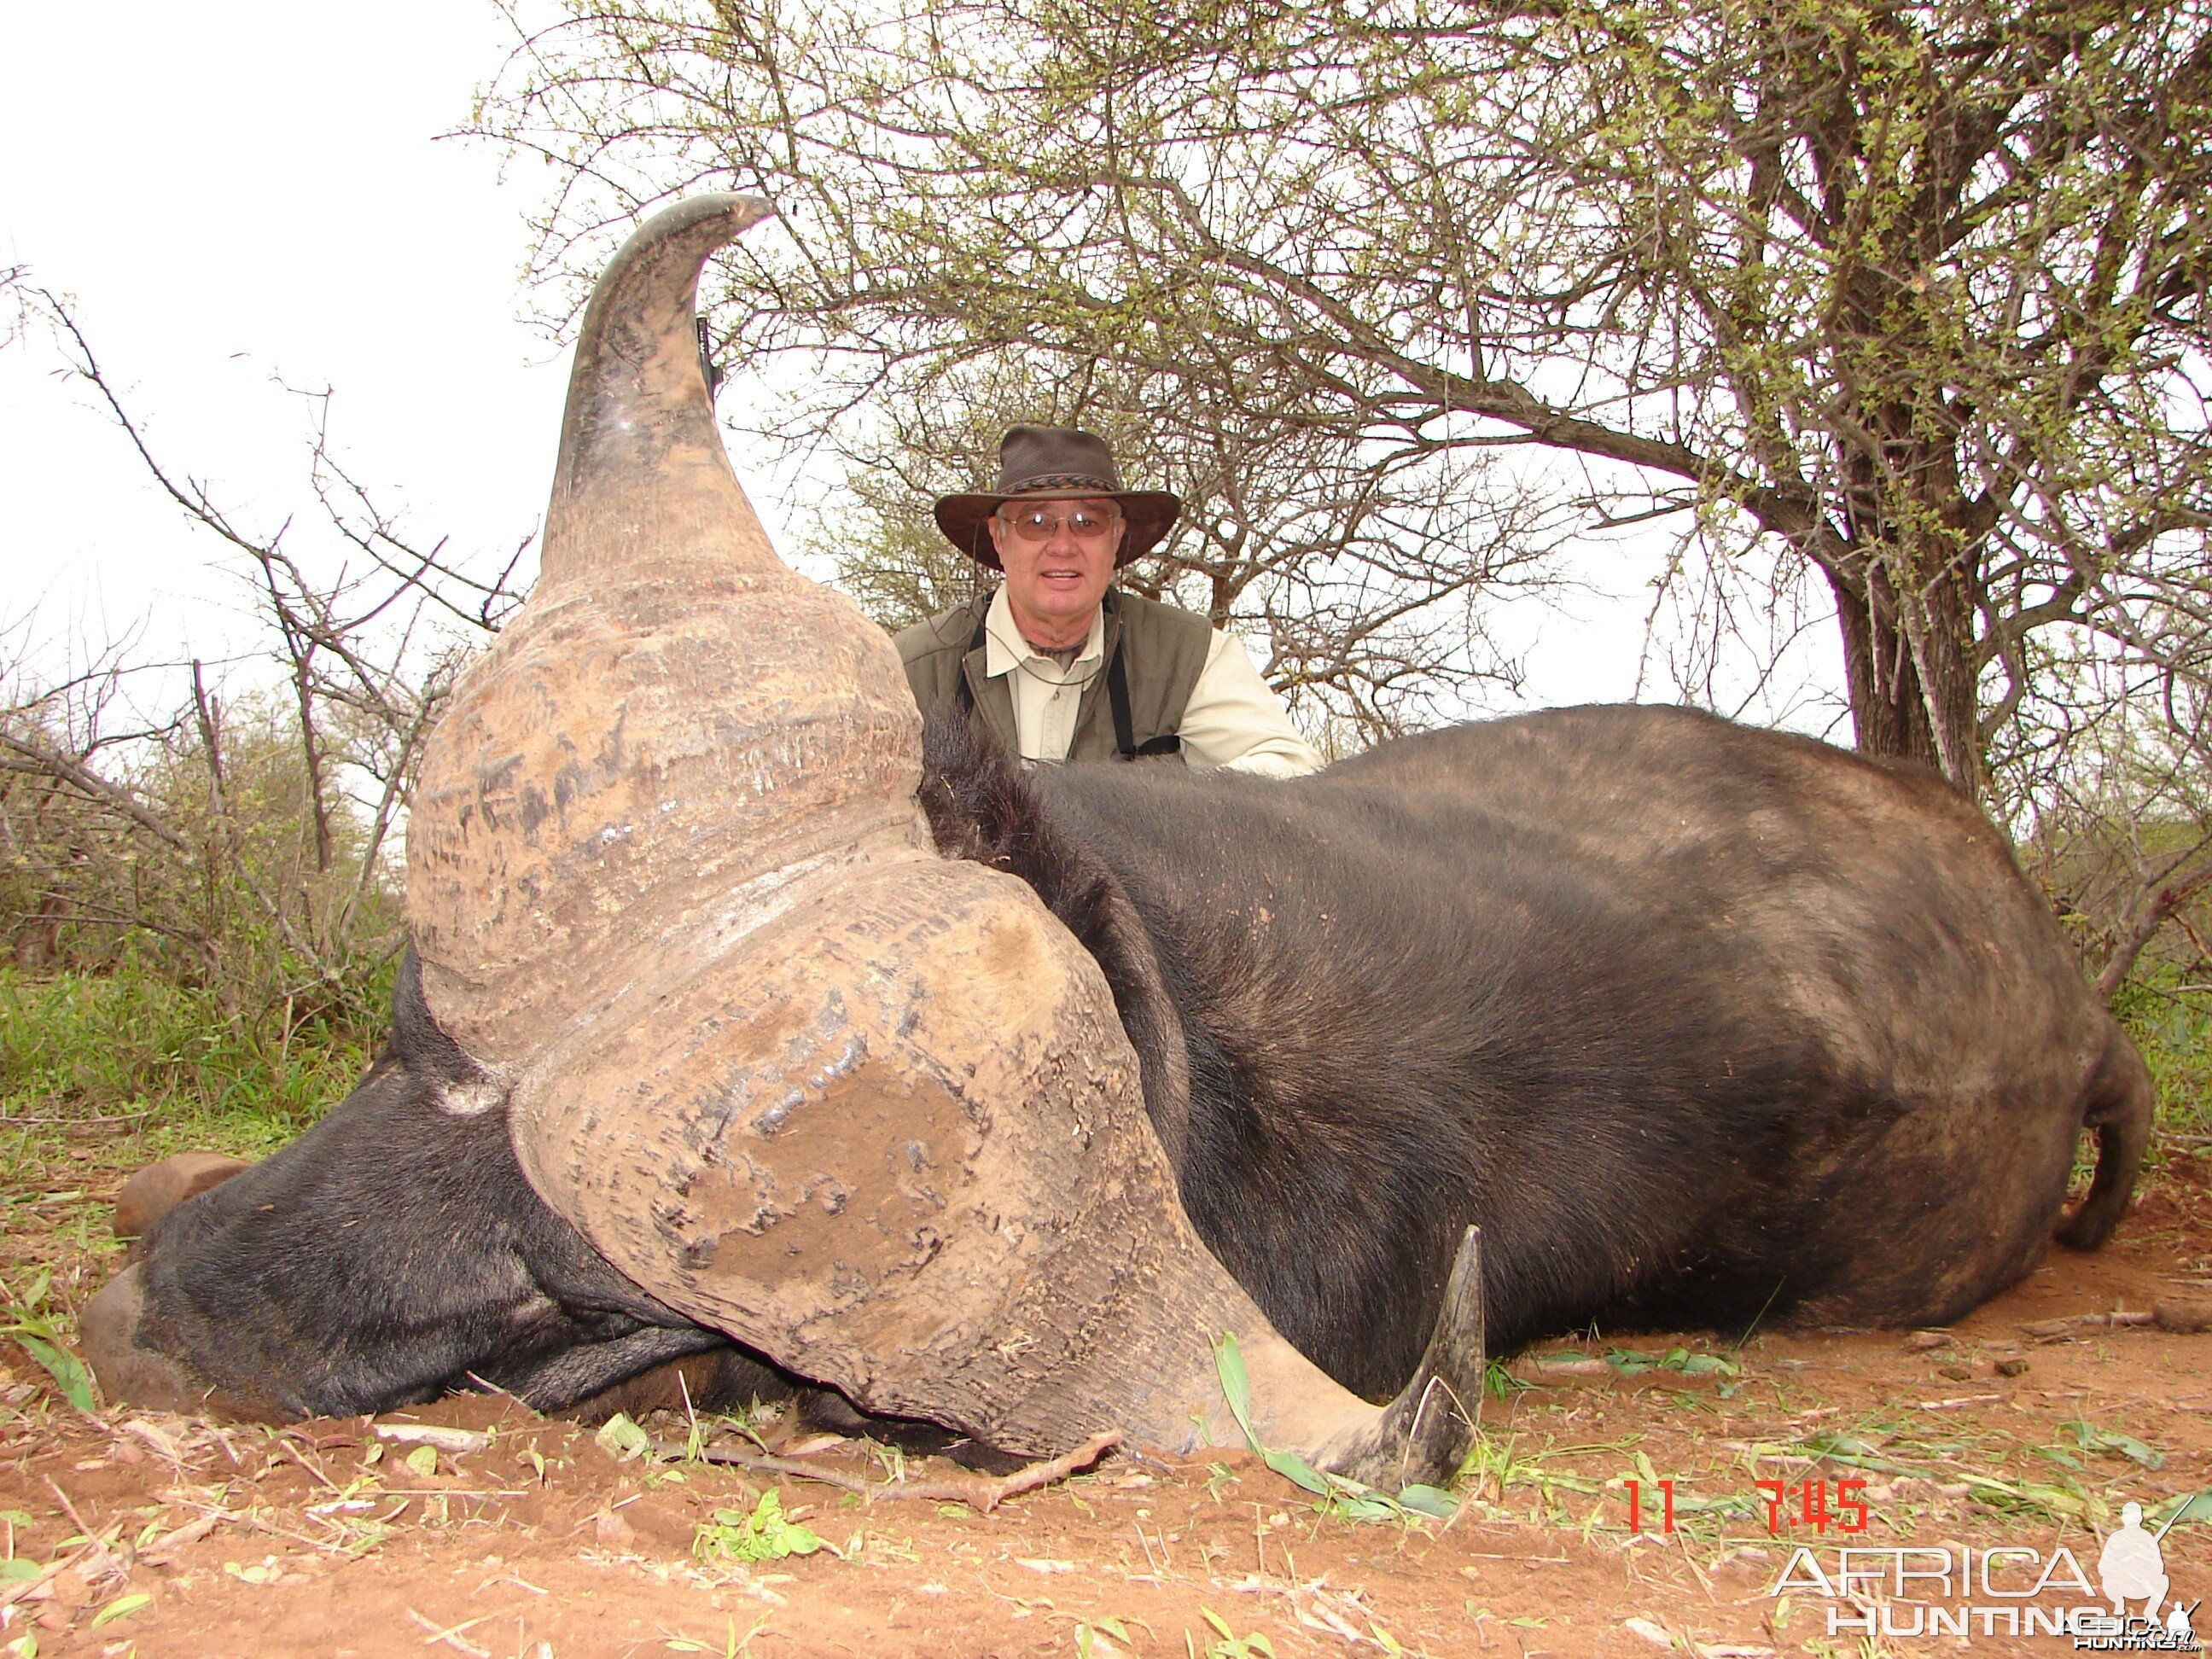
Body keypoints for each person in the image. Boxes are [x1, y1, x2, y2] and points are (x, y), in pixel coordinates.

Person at [894, 427, 1324, 777]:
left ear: (1116, 538)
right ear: (998, 536)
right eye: (1036, 522)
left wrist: (1153, 807)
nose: (1063, 546)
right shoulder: (908, 671)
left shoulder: (1188, 655)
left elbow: (1292, 769)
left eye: (1088, 522)